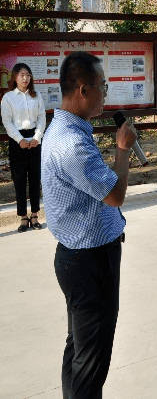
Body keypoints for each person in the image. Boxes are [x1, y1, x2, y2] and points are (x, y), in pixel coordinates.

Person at [41, 51, 137, 399]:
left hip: (79, 257)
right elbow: (114, 195)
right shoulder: (72, 143)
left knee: (81, 351)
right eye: (102, 86)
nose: (105, 93)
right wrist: (123, 150)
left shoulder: (66, 128)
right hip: (90, 262)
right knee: (91, 361)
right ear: (82, 90)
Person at [2, 63, 46, 232]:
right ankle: (23, 217)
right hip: (17, 141)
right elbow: (7, 122)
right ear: (15, 77)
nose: (25, 78)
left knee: (35, 179)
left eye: (28, 74)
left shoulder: (37, 96)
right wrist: (20, 139)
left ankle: (35, 215)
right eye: (21, 75)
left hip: (35, 141)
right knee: (19, 180)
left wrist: (37, 137)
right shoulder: (8, 98)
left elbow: (42, 118)